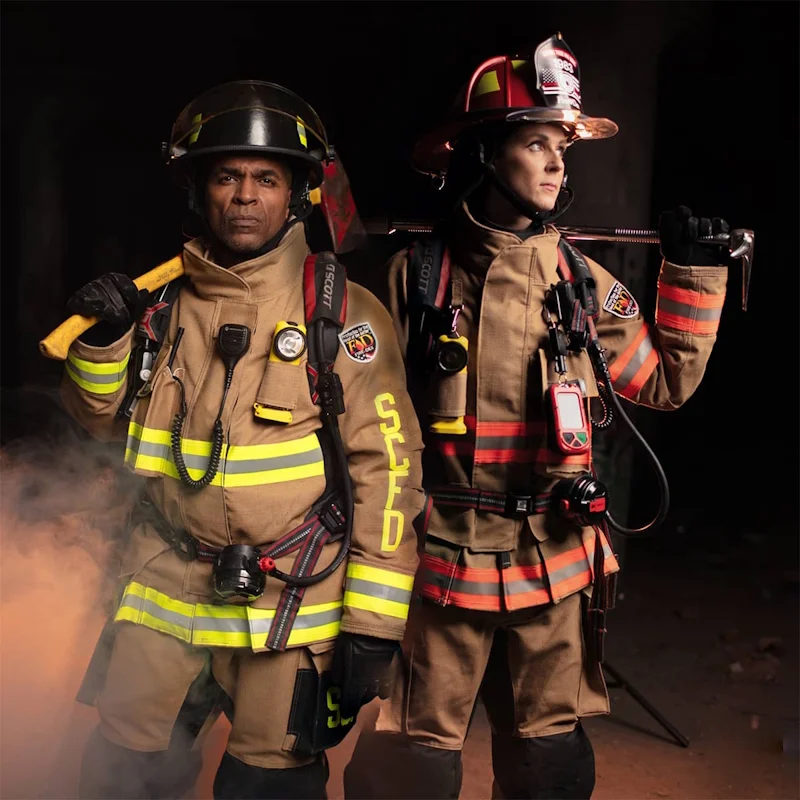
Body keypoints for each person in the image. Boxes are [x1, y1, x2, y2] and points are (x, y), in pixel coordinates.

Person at [343, 34, 731, 799]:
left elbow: (665, 382)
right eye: (535, 144)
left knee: (550, 762)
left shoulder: (581, 284)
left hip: (555, 566)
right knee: (412, 763)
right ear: (485, 155)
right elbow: (350, 420)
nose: (557, 164)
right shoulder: (412, 280)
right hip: (439, 566)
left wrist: (695, 273)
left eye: (563, 147)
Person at [60, 80, 425, 799]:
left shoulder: (346, 317)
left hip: (288, 606)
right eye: (227, 176)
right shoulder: (158, 309)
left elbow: (389, 477)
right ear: (200, 190)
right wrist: (102, 346)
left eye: (266, 178)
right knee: (117, 779)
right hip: (163, 589)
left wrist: (373, 628)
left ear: (297, 195)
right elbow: (96, 423)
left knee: (270, 789)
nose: (246, 196)